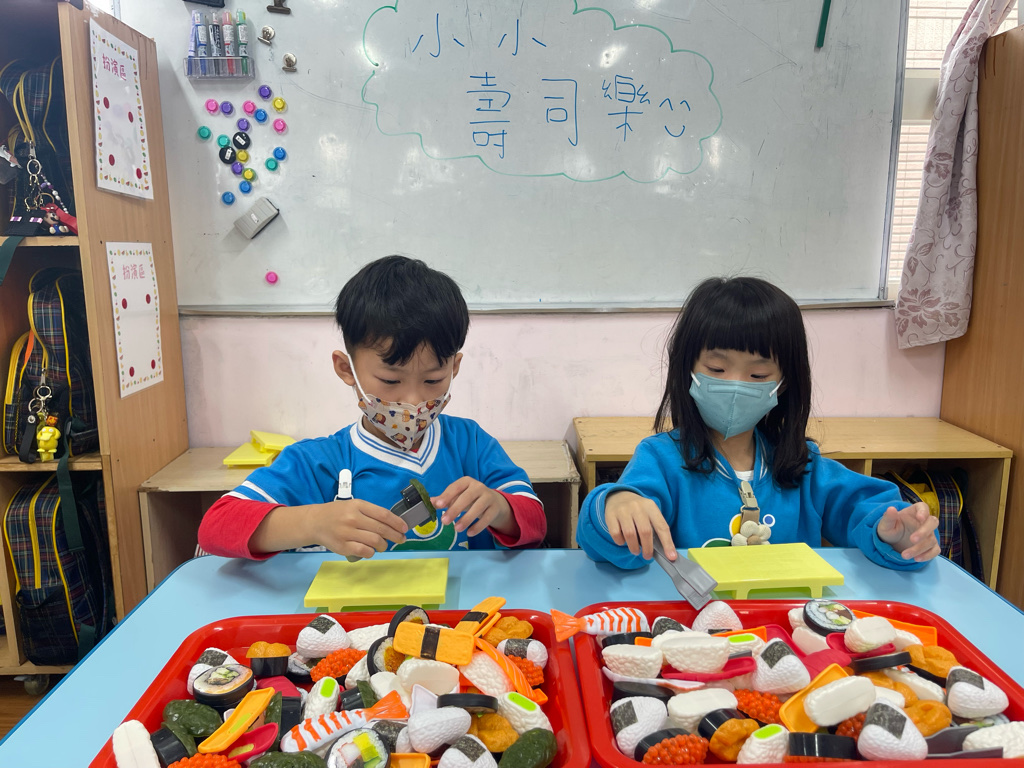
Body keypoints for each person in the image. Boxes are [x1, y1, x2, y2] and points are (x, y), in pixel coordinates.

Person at [576, 276, 939, 570]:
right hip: (695, 627)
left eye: (758, 375)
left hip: (784, 624)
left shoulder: (802, 465)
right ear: (686, 368)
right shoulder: (661, 460)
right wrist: (615, 505)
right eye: (717, 369)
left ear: (784, 383)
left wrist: (896, 533)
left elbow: (868, 511)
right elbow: (609, 546)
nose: (735, 386)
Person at [198, 255, 546, 559]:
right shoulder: (319, 462)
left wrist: (500, 509)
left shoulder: (470, 444)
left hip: (463, 608)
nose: (413, 402)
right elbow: (215, 527)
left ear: (454, 368)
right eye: (391, 381)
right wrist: (312, 522)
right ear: (346, 369)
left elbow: (536, 522)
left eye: (433, 380)